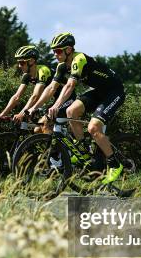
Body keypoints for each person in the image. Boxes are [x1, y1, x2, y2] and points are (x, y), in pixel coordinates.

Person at [47, 32, 126, 184]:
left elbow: (70, 85)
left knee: (93, 128)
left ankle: (114, 164)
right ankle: (84, 151)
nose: (55, 54)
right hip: (99, 91)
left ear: (68, 50)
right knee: (71, 111)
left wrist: (56, 106)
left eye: (58, 51)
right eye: (54, 51)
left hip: (114, 91)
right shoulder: (62, 66)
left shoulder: (79, 59)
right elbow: (51, 88)